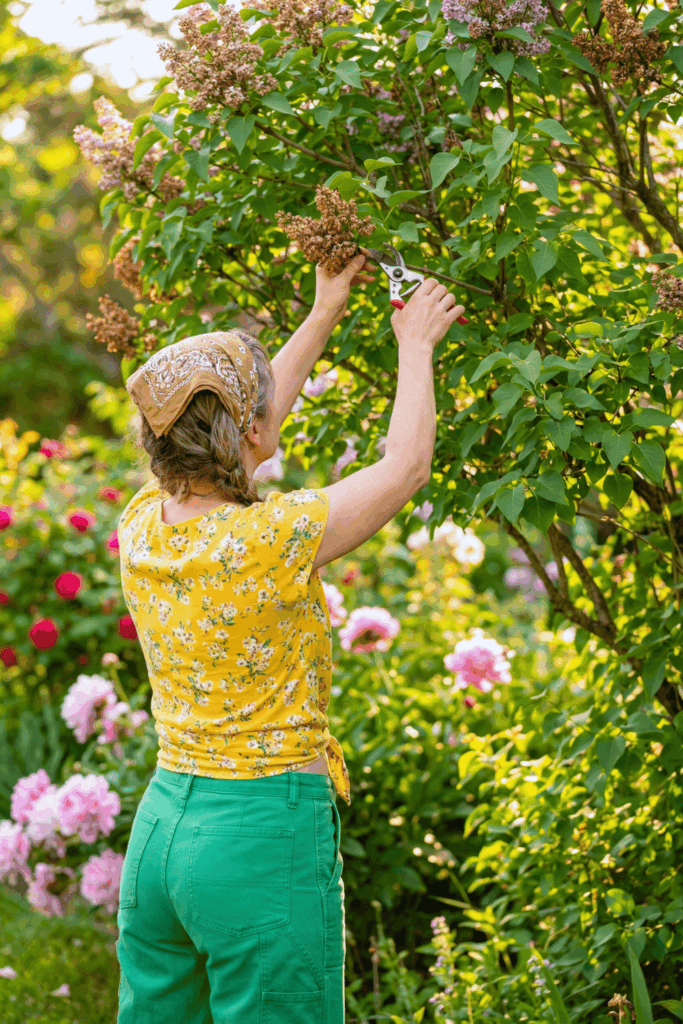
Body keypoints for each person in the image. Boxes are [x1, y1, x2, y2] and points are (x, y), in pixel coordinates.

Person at [114, 254, 466, 1024]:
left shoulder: (140, 526)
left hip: (163, 833)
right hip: (257, 837)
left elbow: (253, 427)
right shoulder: (272, 538)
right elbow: (403, 469)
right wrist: (415, 345)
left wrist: (323, 309)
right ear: (245, 431)